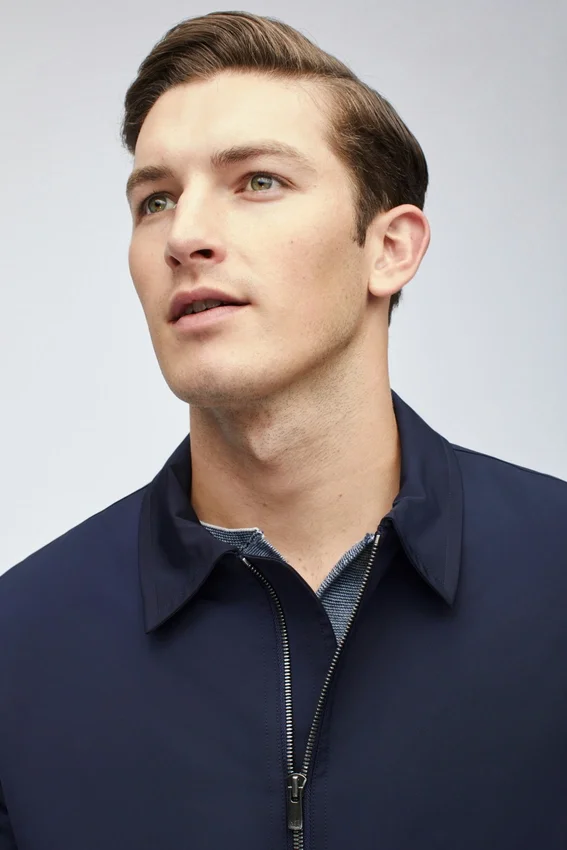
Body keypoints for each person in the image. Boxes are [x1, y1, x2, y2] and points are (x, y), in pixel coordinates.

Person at [1, 10, 566, 850]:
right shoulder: (18, 646)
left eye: (257, 181)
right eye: (155, 199)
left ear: (390, 248)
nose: (185, 236)